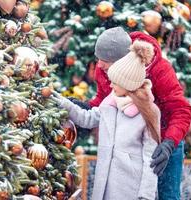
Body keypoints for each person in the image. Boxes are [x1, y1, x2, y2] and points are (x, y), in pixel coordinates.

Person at [74, 27, 191, 200]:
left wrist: (168, 143)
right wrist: (84, 107)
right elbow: (105, 101)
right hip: (134, 145)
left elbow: (180, 110)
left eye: (105, 60)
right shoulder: (105, 71)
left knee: (168, 195)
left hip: (166, 142)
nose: (99, 65)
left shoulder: (160, 70)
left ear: (123, 60)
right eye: (98, 59)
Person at [53, 40, 160, 200]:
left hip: (131, 188)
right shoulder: (110, 103)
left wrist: (146, 195)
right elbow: (87, 118)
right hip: (105, 182)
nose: (111, 85)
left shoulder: (149, 112)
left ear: (128, 84)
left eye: (115, 81)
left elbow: (150, 158)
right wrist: (62, 102)